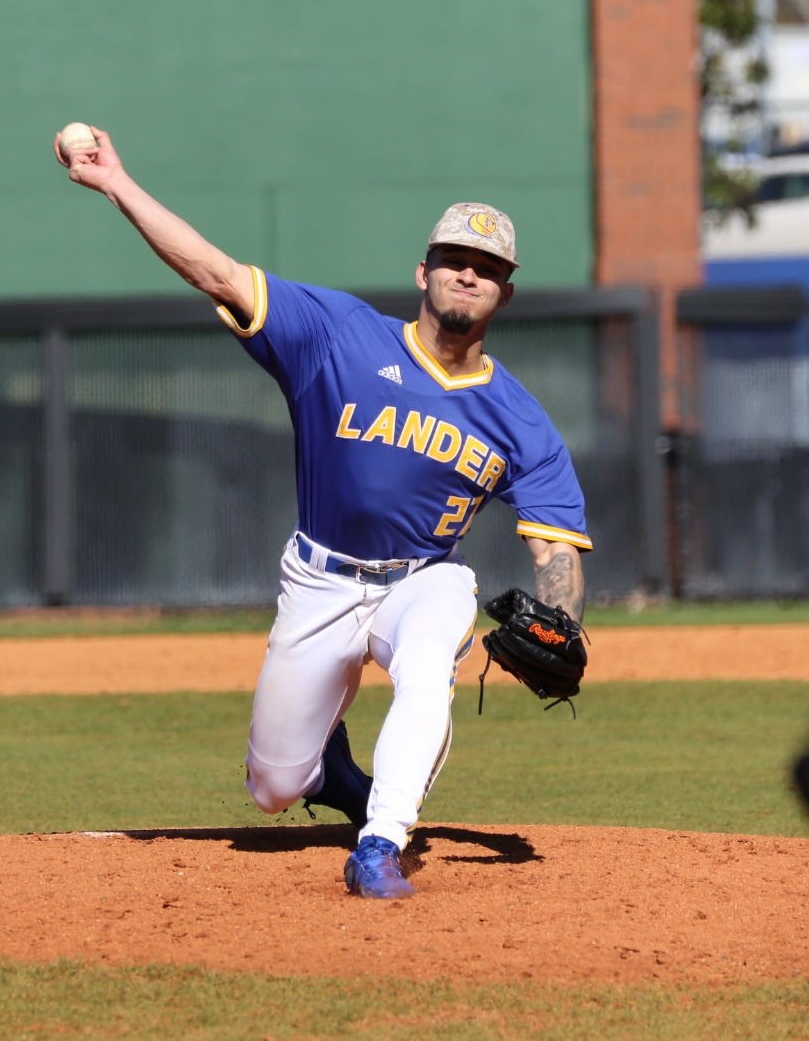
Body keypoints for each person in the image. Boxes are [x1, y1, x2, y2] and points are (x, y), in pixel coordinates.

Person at [52, 125, 591, 899]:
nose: (467, 275)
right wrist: (119, 186)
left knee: (431, 659)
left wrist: (562, 619)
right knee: (272, 786)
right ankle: (332, 774)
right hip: (320, 581)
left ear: (505, 291)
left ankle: (378, 842)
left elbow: (555, 549)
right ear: (423, 271)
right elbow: (216, 272)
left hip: (423, 580)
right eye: (454, 260)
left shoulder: (520, 419)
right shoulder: (337, 334)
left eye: (487, 269)